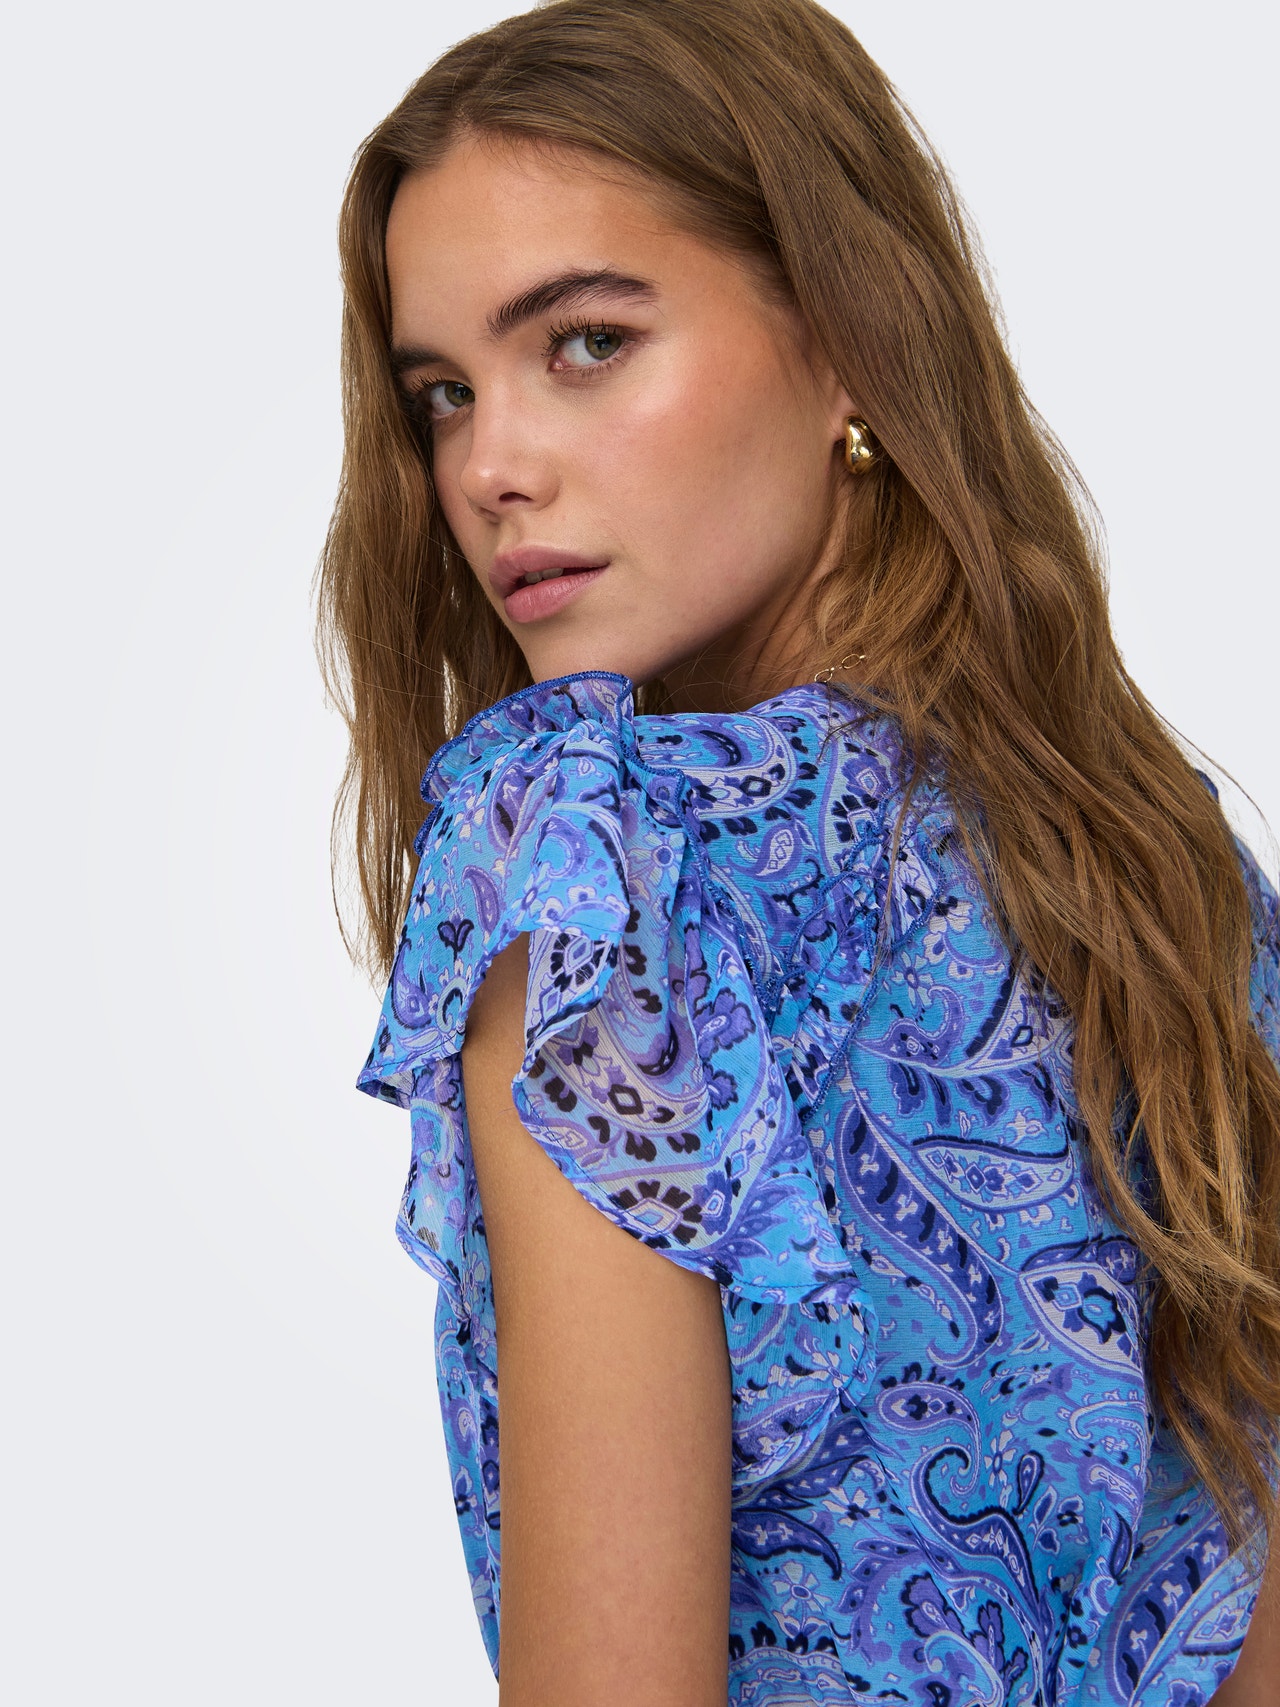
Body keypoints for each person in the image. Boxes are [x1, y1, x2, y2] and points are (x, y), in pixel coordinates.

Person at [317, 2, 1280, 1700]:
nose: (491, 468)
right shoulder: (1152, 859)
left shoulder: (599, 870)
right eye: (445, 395)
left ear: (848, 338)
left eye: (588, 343)